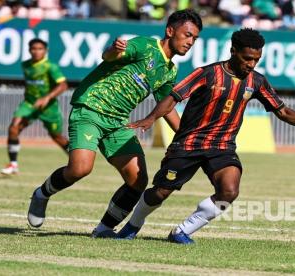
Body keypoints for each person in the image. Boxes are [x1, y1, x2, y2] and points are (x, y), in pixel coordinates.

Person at [116, 28, 295, 244]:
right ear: (233, 50)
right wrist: (150, 118)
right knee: (161, 192)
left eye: (256, 59)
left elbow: (282, 111)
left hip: (222, 146)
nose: (251, 64)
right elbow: (173, 97)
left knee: (229, 191)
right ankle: (133, 226)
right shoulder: (207, 73)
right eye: (247, 58)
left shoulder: (257, 81)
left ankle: (182, 231)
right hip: (188, 144)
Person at [26, 9, 203, 238]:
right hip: (90, 108)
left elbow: (166, 106)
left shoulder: (169, 71)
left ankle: (103, 229)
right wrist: (112, 49)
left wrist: (186, 136)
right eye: (187, 35)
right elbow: (109, 57)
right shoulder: (145, 45)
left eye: (194, 39)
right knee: (80, 169)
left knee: (138, 180)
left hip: (118, 122)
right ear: (170, 31)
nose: (190, 42)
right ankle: (42, 194)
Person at [1, 38, 69, 175]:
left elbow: (63, 85)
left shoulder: (50, 66)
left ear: (46, 51)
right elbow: (29, 84)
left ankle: (76, 160)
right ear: (29, 50)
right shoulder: (26, 65)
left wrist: (47, 98)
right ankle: (13, 165)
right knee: (14, 127)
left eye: (40, 49)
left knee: (57, 137)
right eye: (34, 49)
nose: (36, 51)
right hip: (30, 104)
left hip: (48, 107)